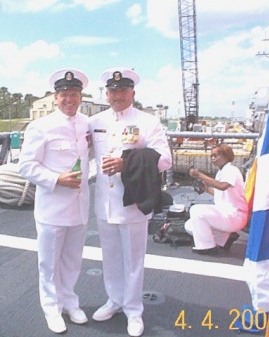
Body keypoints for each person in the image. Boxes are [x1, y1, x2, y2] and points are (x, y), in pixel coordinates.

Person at [90, 67, 172, 337]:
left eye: (123, 90)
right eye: (113, 90)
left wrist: (128, 163)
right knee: (111, 257)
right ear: (106, 93)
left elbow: (165, 160)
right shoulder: (95, 121)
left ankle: (134, 310)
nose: (117, 95)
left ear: (132, 93)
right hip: (105, 201)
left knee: (133, 260)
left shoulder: (149, 122)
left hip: (133, 202)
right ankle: (114, 300)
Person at [18, 68, 91, 334]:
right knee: (49, 261)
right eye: (64, 95)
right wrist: (56, 179)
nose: (69, 99)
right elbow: (26, 166)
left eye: (74, 94)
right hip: (52, 206)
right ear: (55, 97)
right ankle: (51, 307)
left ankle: (70, 301)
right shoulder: (41, 126)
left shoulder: (85, 124)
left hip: (80, 205)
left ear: (80, 96)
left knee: (72, 259)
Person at [184, 143, 248, 255]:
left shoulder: (231, 170)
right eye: (211, 156)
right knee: (189, 226)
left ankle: (207, 246)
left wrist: (199, 175)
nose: (213, 158)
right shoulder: (222, 172)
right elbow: (219, 192)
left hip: (234, 215)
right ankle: (225, 238)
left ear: (226, 156)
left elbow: (222, 186)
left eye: (216, 155)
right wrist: (205, 189)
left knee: (196, 210)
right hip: (227, 215)